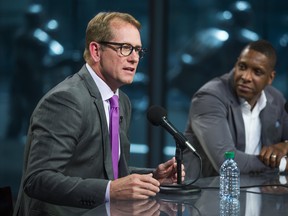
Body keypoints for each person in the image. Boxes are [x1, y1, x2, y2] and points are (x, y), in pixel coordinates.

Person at [13, 11, 184, 216]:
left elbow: (106, 170)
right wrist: (110, 190)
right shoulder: (66, 100)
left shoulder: (122, 101)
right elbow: (38, 179)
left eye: (138, 50)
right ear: (96, 51)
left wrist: (153, 178)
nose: (134, 58)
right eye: (125, 48)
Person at [183, 39, 288, 178]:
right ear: (236, 63)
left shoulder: (276, 99)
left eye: (257, 72)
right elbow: (226, 162)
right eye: (242, 67)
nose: (246, 77)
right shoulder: (209, 97)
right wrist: (282, 164)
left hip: (259, 192)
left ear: (270, 78)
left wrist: (285, 146)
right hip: (206, 194)